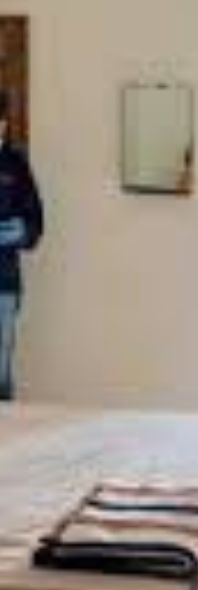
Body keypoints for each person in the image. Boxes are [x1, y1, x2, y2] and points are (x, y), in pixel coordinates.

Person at [0, 95, 44, 403]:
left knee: (0, 373)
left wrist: (10, 232)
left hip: (4, 283)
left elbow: (35, 225)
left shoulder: (16, 164)